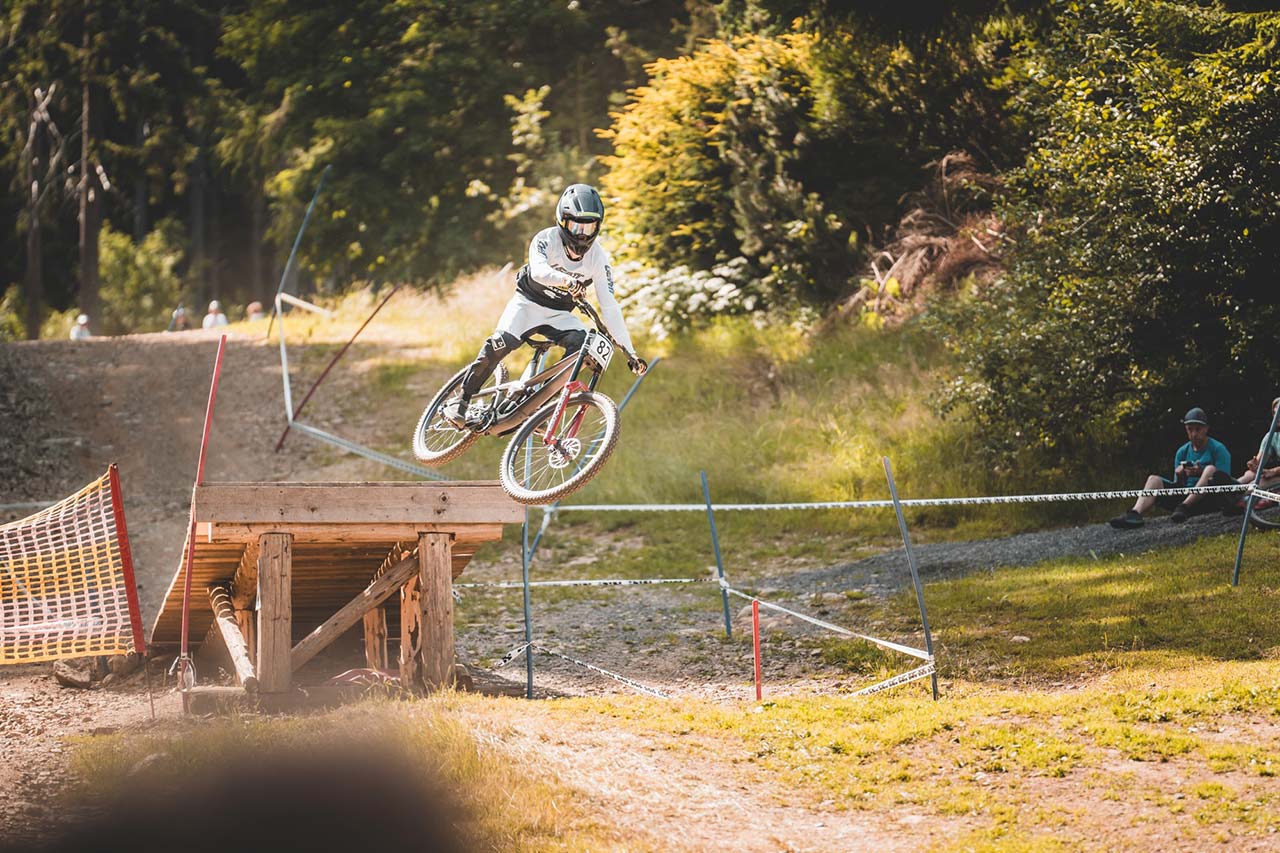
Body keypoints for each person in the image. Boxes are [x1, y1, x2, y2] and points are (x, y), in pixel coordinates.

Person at [443, 183, 647, 429]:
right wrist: (566, 280)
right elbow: (538, 271)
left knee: (583, 346)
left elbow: (610, 307)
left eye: (589, 227)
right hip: (527, 304)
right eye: (576, 226)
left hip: (559, 314)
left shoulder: (598, 258)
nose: (582, 235)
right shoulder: (545, 239)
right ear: (562, 221)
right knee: (500, 344)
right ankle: (462, 399)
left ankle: (538, 405)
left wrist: (630, 353)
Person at [1109, 407, 1235, 529]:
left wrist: (1200, 472)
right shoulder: (1182, 451)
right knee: (1153, 479)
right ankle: (1135, 513)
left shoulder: (1218, 449)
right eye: (1190, 430)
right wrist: (1180, 475)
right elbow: (1177, 486)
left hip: (1209, 499)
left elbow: (1224, 481)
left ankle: (1185, 506)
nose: (1194, 434)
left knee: (1210, 469)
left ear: (1206, 429)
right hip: (1183, 497)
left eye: (1198, 429)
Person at [1223, 396, 1280, 515]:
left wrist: (1274, 471)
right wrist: (1254, 464)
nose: (1277, 417)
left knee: (1264, 479)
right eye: (1275, 414)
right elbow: (1260, 460)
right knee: (1251, 473)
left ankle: (1235, 496)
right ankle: (1232, 488)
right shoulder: (1273, 435)